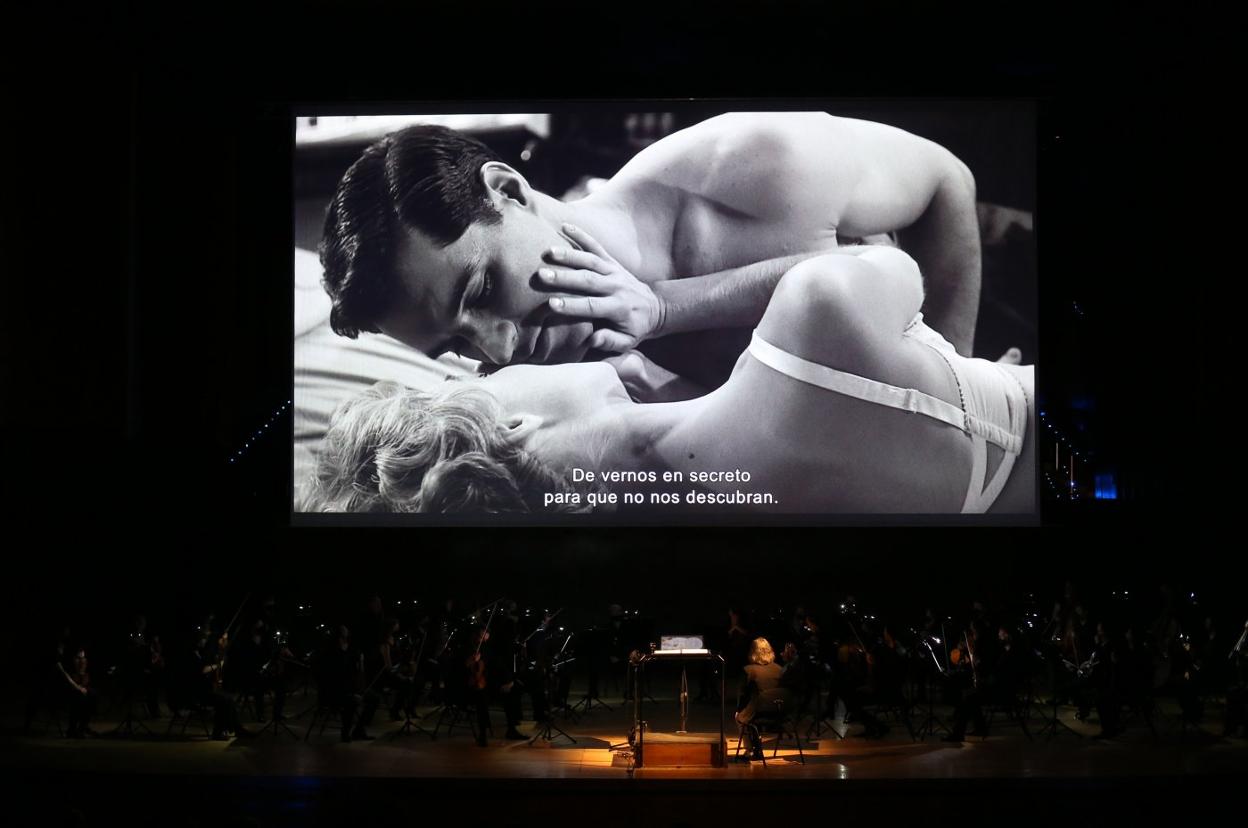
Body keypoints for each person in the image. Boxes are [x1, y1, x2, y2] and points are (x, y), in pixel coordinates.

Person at [302, 245, 1034, 515]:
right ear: (513, 429)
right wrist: (660, 309)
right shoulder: (816, 320)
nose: (496, 359)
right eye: (478, 380)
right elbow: (892, 266)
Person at [318, 113, 984, 398]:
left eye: (482, 290)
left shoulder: (750, 164)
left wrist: (962, 380)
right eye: (455, 345)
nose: (499, 349)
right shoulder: (543, 383)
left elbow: (946, 181)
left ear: (511, 192)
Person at [736, 638, 786, 760]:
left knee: (740, 717)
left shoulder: (749, 670)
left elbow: (743, 695)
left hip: (759, 710)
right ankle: (756, 748)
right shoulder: (779, 669)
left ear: (752, 652)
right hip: (781, 712)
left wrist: (739, 710)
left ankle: (750, 750)